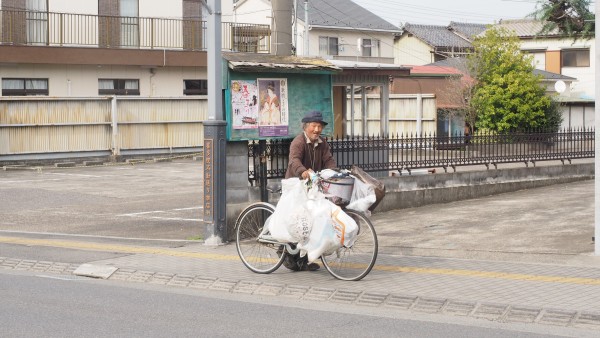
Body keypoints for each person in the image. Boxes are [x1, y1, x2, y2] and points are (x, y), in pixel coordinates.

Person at [282, 110, 336, 271]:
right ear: (306, 127)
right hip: (296, 185)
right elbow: (294, 160)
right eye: (314, 126)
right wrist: (303, 171)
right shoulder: (298, 142)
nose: (317, 130)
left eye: (319, 126)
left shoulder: (322, 143)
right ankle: (284, 252)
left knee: (313, 221)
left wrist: (334, 173)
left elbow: (329, 160)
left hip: (312, 187)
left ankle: (304, 260)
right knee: (297, 222)